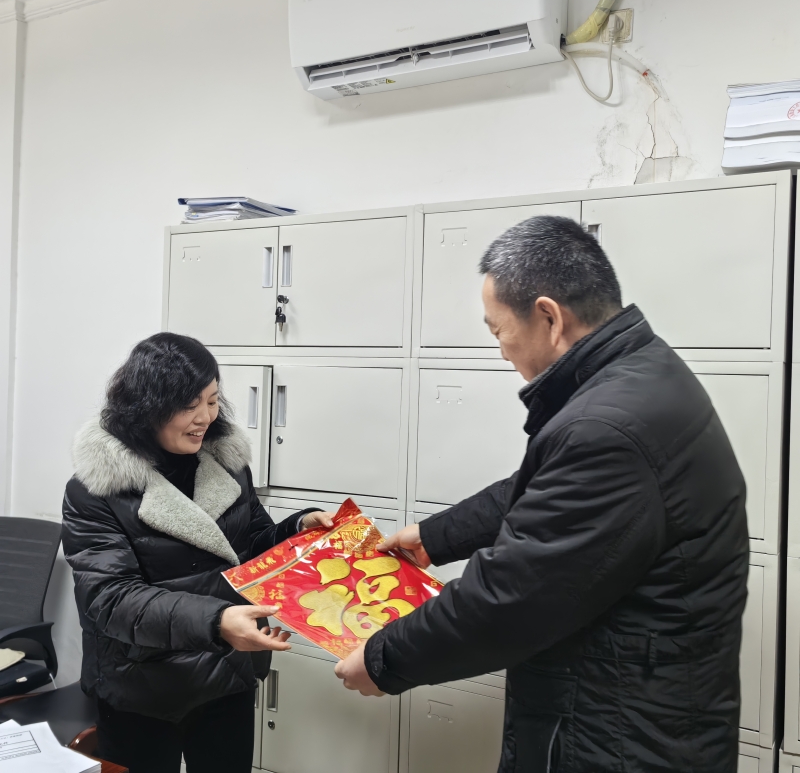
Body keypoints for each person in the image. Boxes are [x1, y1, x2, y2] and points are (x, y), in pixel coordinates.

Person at [335, 216, 749, 772]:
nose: (502, 351)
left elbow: (509, 598)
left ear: (549, 317)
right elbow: (543, 488)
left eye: (498, 331)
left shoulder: (605, 426)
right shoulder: (642, 376)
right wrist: (434, 537)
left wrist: (384, 658)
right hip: (643, 708)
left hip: (617, 735)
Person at [62, 333, 335, 773]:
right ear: (147, 406)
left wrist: (298, 528)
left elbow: (252, 547)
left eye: (212, 400)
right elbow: (112, 599)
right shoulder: (96, 490)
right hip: (142, 687)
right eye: (189, 405)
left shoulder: (226, 466)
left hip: (226, 676)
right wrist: (217, 621)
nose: (205, 417)